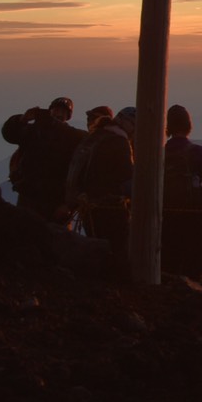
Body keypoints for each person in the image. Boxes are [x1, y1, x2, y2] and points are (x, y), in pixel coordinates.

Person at [66, 107, 135, 280]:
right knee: (117, 252)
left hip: (88, 208)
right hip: (111, 209)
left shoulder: (94, 137)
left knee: (97, 250)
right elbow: (128, 181)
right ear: (128, 125)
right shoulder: (119, 143)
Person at [0, 96, 84, 223]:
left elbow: (81, 174)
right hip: (29, 197)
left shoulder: (73, 137)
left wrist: (69, 205)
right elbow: (9, 134)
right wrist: (22, 119)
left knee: (55, 240)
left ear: (68, 116)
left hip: (56, 203)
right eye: (56, 110)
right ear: (49, 111)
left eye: (63, 112)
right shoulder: (33, 132)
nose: (59, 114)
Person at [160, 104, 202, 280]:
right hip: (193, 214)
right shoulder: (196, 152)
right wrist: (200, 199)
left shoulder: (160, 153)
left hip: (165, 213)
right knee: (194, 254)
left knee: (169, 254)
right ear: (188, 125)